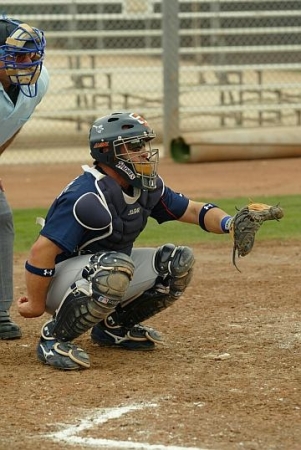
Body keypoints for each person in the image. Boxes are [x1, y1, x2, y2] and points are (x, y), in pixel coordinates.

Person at [17, 111, 234, 371]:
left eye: (144, 144)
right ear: (107, 151)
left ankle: (114, 328)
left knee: (176, 261)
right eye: (133, 146)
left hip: (107, 272)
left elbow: (192, 211)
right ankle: (53, 338)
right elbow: (41, 251)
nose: (144, 152)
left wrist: (229, 223)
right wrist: (35, 303)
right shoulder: (86, 195)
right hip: (61, 284)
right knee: (116, 266)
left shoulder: (146, 186)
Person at [0, 16, 49, 339]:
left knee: (2, 218)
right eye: (18, 56)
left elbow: (15, 120)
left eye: (32, 55)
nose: (29, 63)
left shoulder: (38, 82)